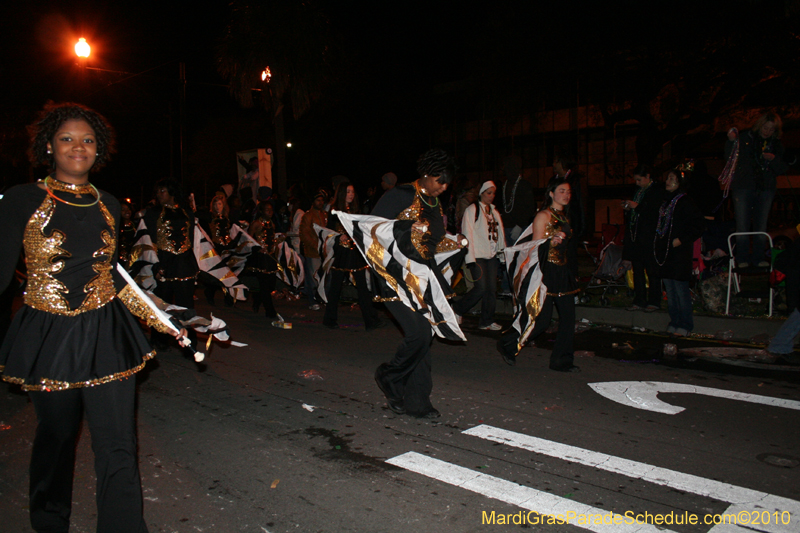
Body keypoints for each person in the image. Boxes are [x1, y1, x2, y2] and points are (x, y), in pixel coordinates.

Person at [0, 102, 184, 533]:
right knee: (57, 440)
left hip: (107, 334)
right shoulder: (23, 199)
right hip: (50, 337)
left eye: (87, 140)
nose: (78, 147)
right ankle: (49, 523)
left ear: (98, 149)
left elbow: (113, 275)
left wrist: (158, 314)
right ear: (49, 145)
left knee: (118, 445)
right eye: (67, 138)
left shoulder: (110, 204)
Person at [372, 148, 463, 418]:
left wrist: (454, 243)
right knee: (419, 334)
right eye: (439, 181)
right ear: (426, 174)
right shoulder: (400, 195)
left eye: (447, 183)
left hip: (422, 278)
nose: (443, 188)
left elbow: (430, 242)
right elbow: (373, 228)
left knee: (425, 335)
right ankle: (389, 376)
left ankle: (417, 401)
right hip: (395, 276)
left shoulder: (435, 203)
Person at [497, 177, 580, 372]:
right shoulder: (543, 216)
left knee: (568, 317)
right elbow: (533, 248)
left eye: (568, 192)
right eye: (561, 191)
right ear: (551, 193)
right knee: (541, 320)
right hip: (546, 271)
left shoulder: (565, 217)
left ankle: (561, 361)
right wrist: (550, 242)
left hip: (562, 271)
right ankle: (507, 344)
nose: (566, 195)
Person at [725, 112, 790, 268]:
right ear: (760, 125)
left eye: (771, 129)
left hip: (765, 188)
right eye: (765, 128)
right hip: (743, 187)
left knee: (761, 225)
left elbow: (782, 168)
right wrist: (731, 141)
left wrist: (773, 160)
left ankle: (759, 257)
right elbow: (730, 156)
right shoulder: (746, 138)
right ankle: (742, 259)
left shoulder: (776, 145)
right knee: (742, 225)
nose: (767, 132)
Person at [323, 183, 383, 330]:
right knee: (336, 286)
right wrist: (338, 238)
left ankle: (371, 320)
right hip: (342, 253)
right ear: (342, 193)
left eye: (352, 192)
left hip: (355, 251)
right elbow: (328, 233)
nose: (351, 194)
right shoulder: (334, 211)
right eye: (348, 192)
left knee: (362, 286)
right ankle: (330, 319)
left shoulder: (355, 210)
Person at [654, 169, 705, 336]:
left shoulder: (685, 202)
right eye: (667, 177)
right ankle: (674, 321)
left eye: (672, 178)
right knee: (669, 289)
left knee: (680, 290)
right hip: (665, 253)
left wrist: (681, 239)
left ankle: (685, 324)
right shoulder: (664, 202)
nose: (668, 181)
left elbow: (698, 225)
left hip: (679, 253)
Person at [453, 181, 506, 330]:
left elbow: (499, 234)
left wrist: (502, 253)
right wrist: (470, 257)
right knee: (481, 288)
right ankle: (458, 309)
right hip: (478, 255)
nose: (491, 196)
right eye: (488, 193)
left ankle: (487, 321)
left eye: (493, 193)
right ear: (481, 193)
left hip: (492, 255)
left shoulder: (494, 212)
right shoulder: (473, 210)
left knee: (491, 289)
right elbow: (467, 232)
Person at [142, 178, 198, 311]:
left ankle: (185, 331)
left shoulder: (186, 212)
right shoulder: (153, 213)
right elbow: (149, 241)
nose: (159, 194)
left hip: (184, 263)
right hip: (163, 263)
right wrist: (155, 266)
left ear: (172, 192)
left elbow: (191, 238)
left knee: (185, 306)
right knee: (161, 306)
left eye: (163, 191)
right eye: (157, 192)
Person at [622, 165, 666, 312]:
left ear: (648, 176)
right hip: (636, 236)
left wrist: (637, 207)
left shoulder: (657, 191)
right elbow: (634, 216)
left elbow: (654, 214)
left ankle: (654, 300)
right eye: (636, 180)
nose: (637, 183)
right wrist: (629, 209)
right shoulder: (638, 191)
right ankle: (639, 299)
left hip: (649, 237)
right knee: (638, 270)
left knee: (652, 270)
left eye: (639, 180)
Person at [247, 200, 284, 322]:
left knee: (270, 284)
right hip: (261, 258)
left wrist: (278, 241)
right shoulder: (256, 224)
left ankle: (257, 300)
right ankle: (270, 310)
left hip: (270, 257)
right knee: (264, 284)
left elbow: (271, 240)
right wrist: (258, 248)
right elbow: (248, 239)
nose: (270, 212)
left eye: (271, 210)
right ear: (262, 211)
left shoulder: (272, 224)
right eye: (267, 210)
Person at [198, 193, 234, 306]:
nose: (218, 206)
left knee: (228, 273)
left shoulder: (227, 218)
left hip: (227, 247)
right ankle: (210, 292)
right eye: (215, 204)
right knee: (217, 273)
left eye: (220, 204)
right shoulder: (210, 217)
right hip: (216, 247)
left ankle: (229, 298)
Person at [299, 189, 329, 310]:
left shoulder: (324, 215)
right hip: (313, 252)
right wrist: (316, 246)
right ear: (313, 202)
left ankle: (320, 298)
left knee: (323, 277)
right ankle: (312, 301)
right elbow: (304, 234)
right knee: (313, 278)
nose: (320, 203)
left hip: (324, 252)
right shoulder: (308, 216)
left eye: (322, 200)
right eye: (318, 200)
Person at [499, 155, 536, 245]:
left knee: (519, 255)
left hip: (519, 228)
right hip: (505, 227)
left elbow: (531, 208)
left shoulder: (524, 185)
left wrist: (520, 225)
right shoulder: (504, 185)